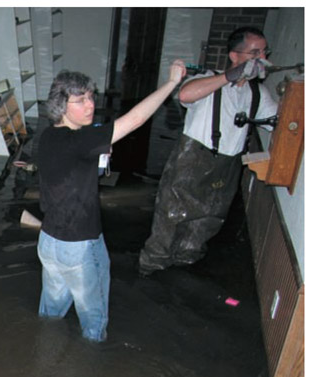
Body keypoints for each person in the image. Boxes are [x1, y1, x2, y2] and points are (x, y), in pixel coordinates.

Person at [36, 60, 187, 342]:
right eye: (80, 100)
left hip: (50, 242)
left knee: (51, 315)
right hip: (80, 246)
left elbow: (75, 164)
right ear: (61, 105)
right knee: (94, 322)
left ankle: (44, 354)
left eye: (91, 97)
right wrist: (171, 84)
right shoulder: (80, 142)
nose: (90, 105)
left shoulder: (47, 137)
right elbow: (136, 120)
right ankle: (90, 371)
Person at [138, 27, 278, 275]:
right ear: (235, 56)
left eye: (264, 52)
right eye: (254, 53)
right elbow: (186, 94)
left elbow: (277, 119)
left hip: (228, 164)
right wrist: (231, 76)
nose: (261, 58)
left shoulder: (258, 92)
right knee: (172, 213)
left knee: (211, 214)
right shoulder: (208, 79)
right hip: (193, 157)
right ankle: (152, 263)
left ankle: (186, 258)